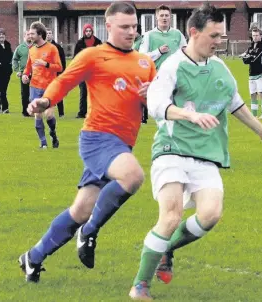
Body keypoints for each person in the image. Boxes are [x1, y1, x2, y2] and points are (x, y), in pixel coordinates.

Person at [129, 4, 262, 299]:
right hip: (171, 150)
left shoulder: (219, 68)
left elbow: (234, 103)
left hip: (205, 155)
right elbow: (157, 104)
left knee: (211, 214)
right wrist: (191, 116)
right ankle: (140, 285)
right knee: (172, 215)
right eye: (214, 35)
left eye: (222, 36)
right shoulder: (173, 65)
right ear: (194, 32)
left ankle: (166, 249)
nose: (219, 42)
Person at [18, 2, 156, 283]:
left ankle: (32, 257)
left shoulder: (145, 62)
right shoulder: (93, 55)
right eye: (125, 27)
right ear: (109, 26)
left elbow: (157, 106)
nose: (132, 32)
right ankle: (90, 231)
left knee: (80, 210)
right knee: (133, 176)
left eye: (134, 27)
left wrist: (151, 95)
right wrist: (46, 100)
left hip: (122, 145)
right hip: (97, 138)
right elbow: (64, 80)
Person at [138, 4, 187, 124]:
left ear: (170, 17)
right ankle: (165, 134)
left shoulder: (177, 34)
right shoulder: (150, 35)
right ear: (156, 17)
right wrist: (158, 52)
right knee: (162, 109)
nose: (164, 18)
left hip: (177, 76)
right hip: (158, 76)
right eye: (162, 15)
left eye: (166, 15)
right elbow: (142, 57)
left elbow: (186, 52)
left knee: (177, 107)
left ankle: (176, 135)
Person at [22, 22, 63, 149]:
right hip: (34, 87)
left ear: (40, 34)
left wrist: (45, 64)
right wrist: (25, 75)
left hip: (50, 87)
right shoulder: (32, 50)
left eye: (32, 33)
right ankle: (43, 143)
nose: (30, 35)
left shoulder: (52, 48)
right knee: (37, 115)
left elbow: (59, 67)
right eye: (29, 33)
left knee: (49, 115)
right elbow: (28, 67)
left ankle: (53, 134)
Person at [74, 23, 103, 118]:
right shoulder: (79, 43)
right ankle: (82, 112)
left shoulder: (98, 42)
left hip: (95, 71)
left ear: (92, 32)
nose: (88, 32)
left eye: (90, 31)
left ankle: (96, 112)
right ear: (84, 32)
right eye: (86, 31)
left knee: (95, 93)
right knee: (83, 92)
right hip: (83, 71)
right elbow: (76, 58)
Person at [242, 28, 262, 119]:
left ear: (261, 36)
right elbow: (244, 60)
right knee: (253, 94)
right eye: (253, 35)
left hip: (260, 73)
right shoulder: (250, 47)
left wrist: (249, 57)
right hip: (251, 74)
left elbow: (254, 59)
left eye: (257, 35)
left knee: (261, 93)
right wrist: (248, 57)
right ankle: (254, 114)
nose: (255, 37)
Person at [46, 28, 67, 118]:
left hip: (57, 73)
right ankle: (47, 112)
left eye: (50, 33)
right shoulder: (42, 47)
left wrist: (62, 73)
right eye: (46, 33)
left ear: (52, 35)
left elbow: (63, 61)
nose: (48, 35)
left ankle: (61, 113)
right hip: (45, 75)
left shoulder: (58, 47)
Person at [12, 31, 33, 117]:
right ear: (24, 36)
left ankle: (34, 110)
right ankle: (25, 111)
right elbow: (14, 59)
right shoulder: (20, 48)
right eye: (28, 35)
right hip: (24, 74)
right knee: (25, 93)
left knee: (35, 93)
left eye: (31, 35)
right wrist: (17, 70)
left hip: (36, 74)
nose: (29, 36)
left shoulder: (36, 47)